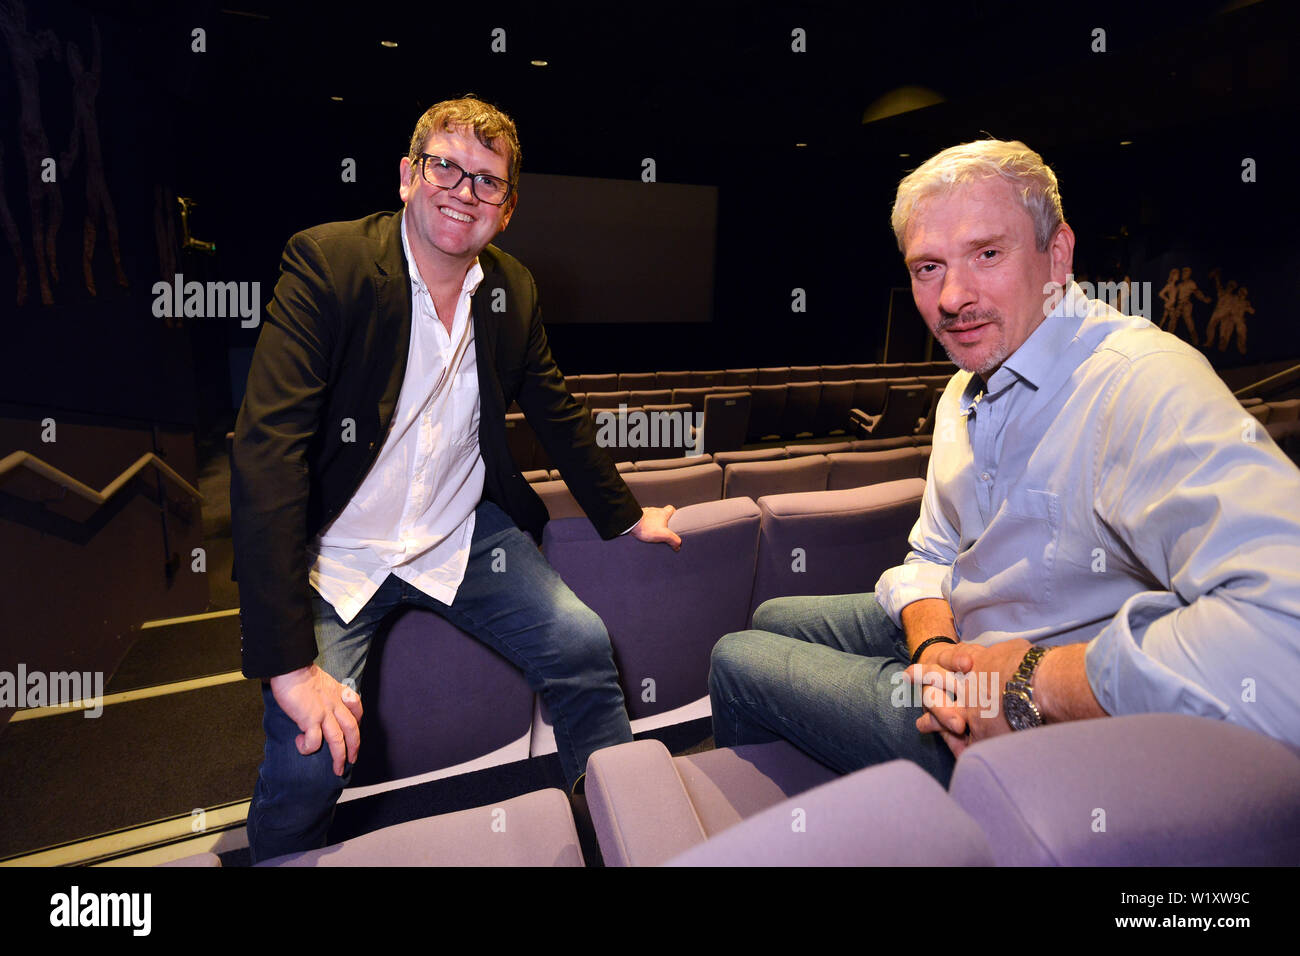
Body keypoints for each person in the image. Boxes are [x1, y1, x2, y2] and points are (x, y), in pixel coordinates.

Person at [709, 139, 1300, 786]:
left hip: (1040, 727)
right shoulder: (962, 387)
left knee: (737, 655)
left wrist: (1030, 682)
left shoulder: (1143, 383)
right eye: (927, 267)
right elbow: (933, 558)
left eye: (987, 254)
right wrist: (935, 650)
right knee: (772, 618)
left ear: (1060, 254)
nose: (953, 298)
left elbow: (1283, 640)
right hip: (968, 636)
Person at [231, 96, 680, 862]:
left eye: (488, 181)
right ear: (408, 175)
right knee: (310, 760)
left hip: (460, 534)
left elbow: (558, 413)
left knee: (582, 649)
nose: (463, 191)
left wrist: (629, 516)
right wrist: (285, 663)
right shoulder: (327, 263)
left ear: (506, 210)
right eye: (446, 166)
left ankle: (614, 838)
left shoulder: (515, 289)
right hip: (339, 551)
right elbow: (265, 451)